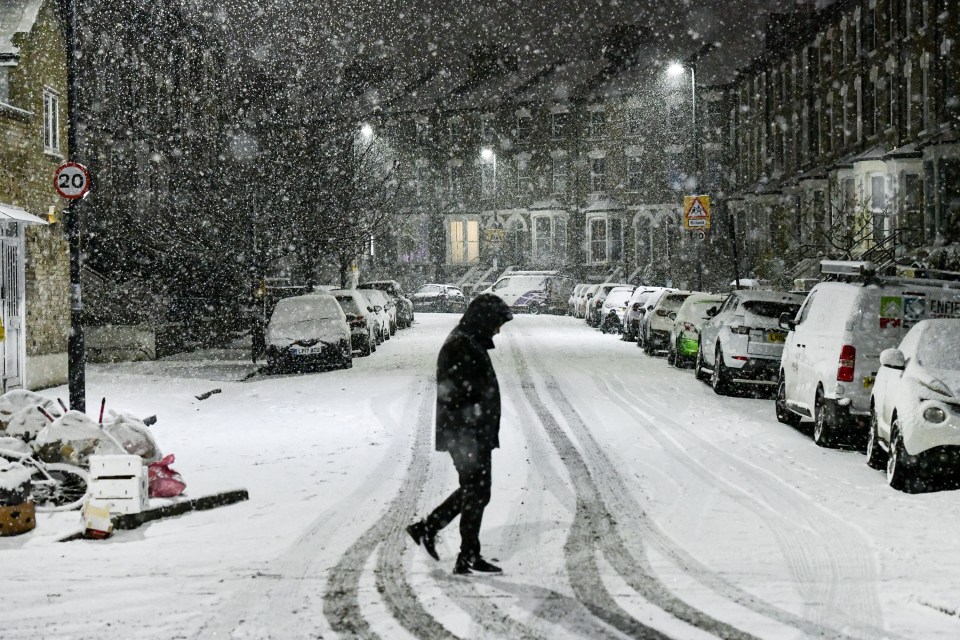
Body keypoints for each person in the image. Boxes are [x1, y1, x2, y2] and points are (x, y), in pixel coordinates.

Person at [407, 293, 513, 575]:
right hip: (466, 435)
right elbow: (460, 396)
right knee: (477, 491)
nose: (498, 330)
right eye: (496, 323)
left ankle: (452, 543)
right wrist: (474, 429)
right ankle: (452, 544)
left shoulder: (469, 341)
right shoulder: (462, 345)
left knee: (476, 490)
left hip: (471, 433)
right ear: (484, 320)